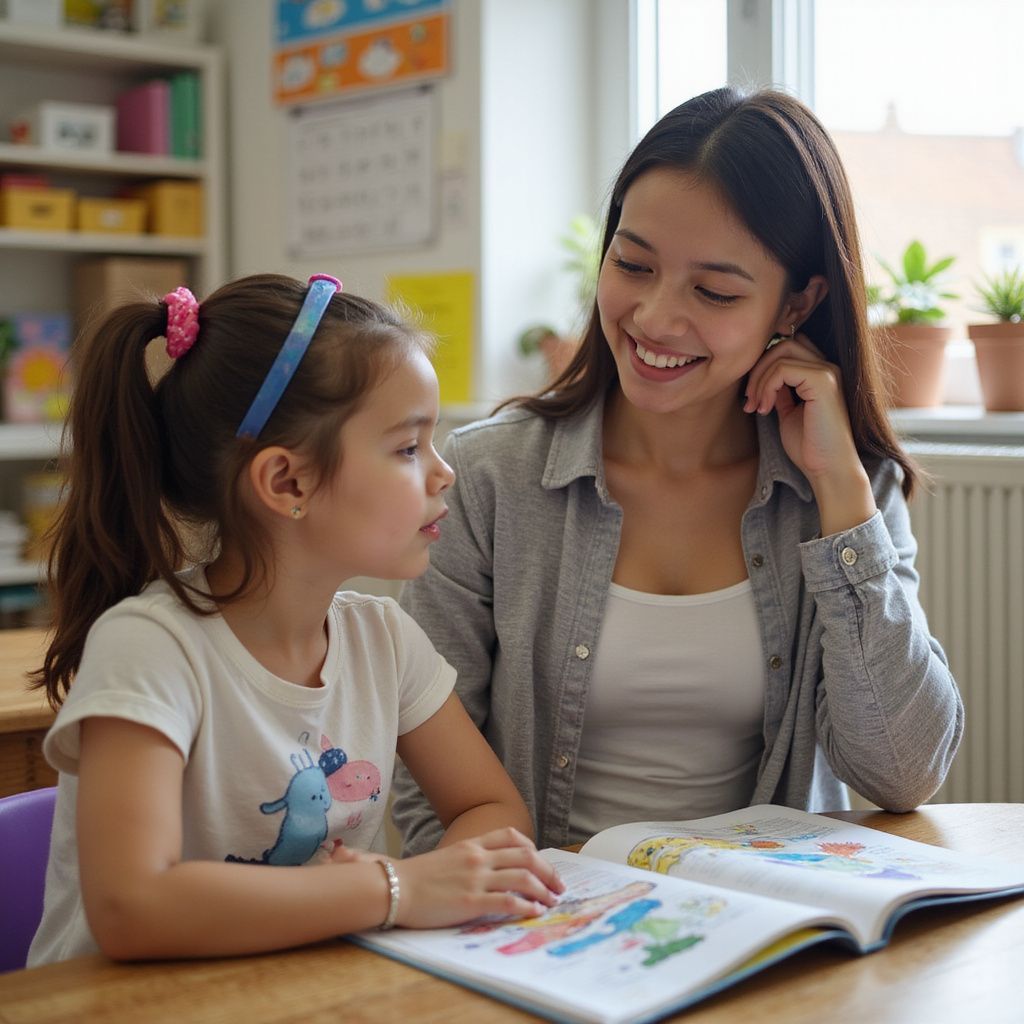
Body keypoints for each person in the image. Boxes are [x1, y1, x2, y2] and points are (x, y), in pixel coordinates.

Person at [393, 86, 964, 855]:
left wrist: (840, 495)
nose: (656, 318)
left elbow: (903, 772)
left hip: (762, 932)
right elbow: (424, 781)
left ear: (797, 306)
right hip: (542, 925)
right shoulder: (487, 478)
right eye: (633, 264)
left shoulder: (847, 489)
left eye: (715, 291)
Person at [27, 273, 563, 966]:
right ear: (288, 483)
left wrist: (438, 882)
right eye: (407, 448)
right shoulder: (149, 647)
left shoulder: (383, 638)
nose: (442, 473)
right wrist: (394, 887)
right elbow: (132, 907)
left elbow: (490, 810)